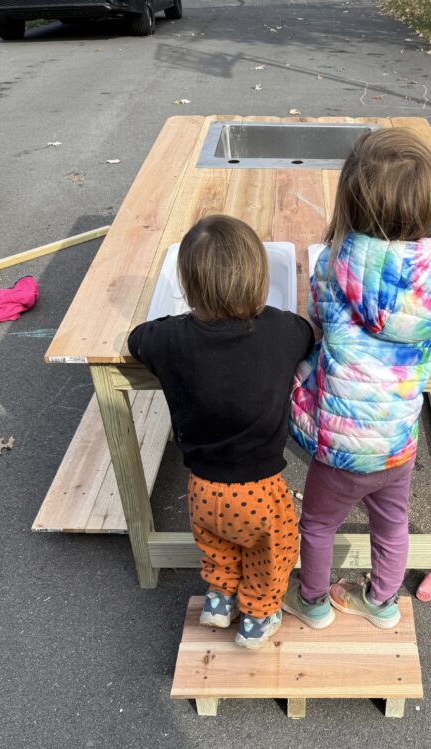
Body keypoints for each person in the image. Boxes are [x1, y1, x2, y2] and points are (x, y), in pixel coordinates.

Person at [282, 127, 431, 630]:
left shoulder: (332, 265)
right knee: (392, 523)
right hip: (397, 443)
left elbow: (318, 324)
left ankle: (314, 601)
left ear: (349, 201)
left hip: (342, 449)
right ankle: (383, 602)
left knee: (319, 523)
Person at [128, 215, 314, 650]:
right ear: (260, 279)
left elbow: (138, 339)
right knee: (275, 550)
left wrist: (175, 324)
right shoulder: (282, 330)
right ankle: (258, 616)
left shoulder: (171, 338)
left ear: (189, 288)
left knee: (219, 547)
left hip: (202, 491)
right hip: (260, 491)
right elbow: (307, 334)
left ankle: (218, 599)